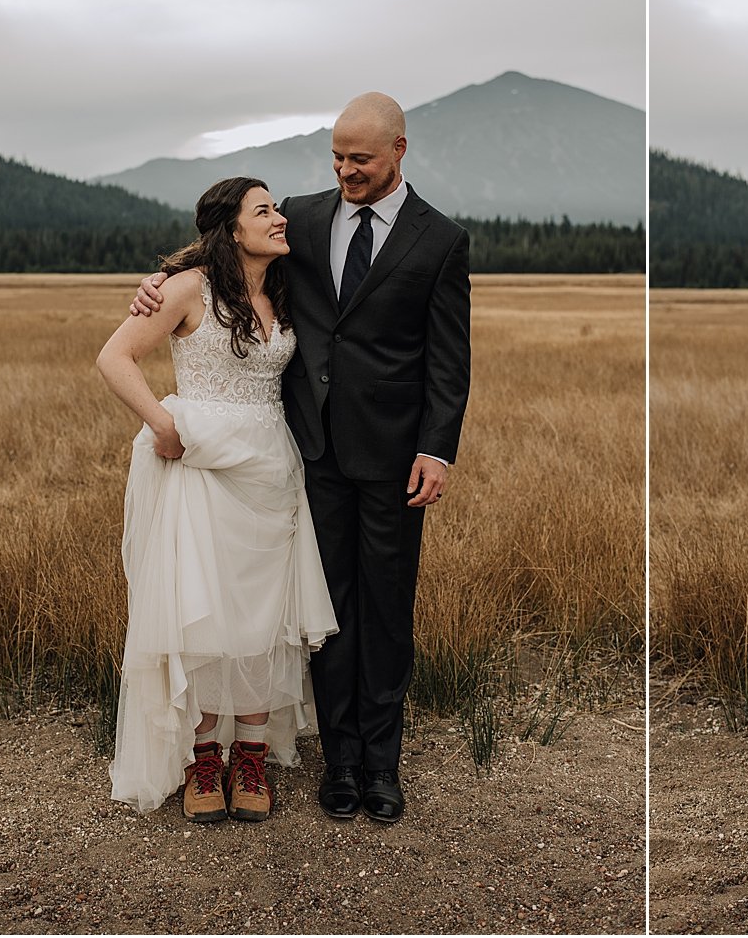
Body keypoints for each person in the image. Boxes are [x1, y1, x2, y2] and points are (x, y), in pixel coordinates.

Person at [132, 92, 471, 823]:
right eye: (337, 157)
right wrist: (159, 280)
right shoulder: (304, 217)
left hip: (391, 461)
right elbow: (228, 252)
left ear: (398, 152)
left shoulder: (440, 240)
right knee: (325, 612)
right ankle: (339, 763)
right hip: (306, 453)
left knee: (384, 609)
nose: (346, 170)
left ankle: (382, 765)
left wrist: (435, 450)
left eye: (361, 159)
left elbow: (449, 360)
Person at [98, 176, 338, 822]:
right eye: (264, 210)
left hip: (269, 465)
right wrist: (163, 425)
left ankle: (252, 752)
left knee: (263, 611)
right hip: (200, 462)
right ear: (231, 228)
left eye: (279, 207)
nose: (280, 217)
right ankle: (206, 753)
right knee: (202, 607)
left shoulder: (288, 287)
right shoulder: (187, 287)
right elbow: (115, 356)